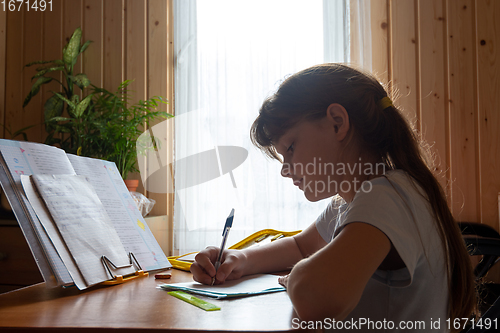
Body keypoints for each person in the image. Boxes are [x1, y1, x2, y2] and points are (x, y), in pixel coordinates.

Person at [191, 63, 476, 329]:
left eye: (290, 148)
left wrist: (297, 278)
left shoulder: (385, 197)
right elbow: (302, 247)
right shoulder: (356, 197)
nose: (285, 171)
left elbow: (314, 297)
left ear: (337, 122)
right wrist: (238, 259)